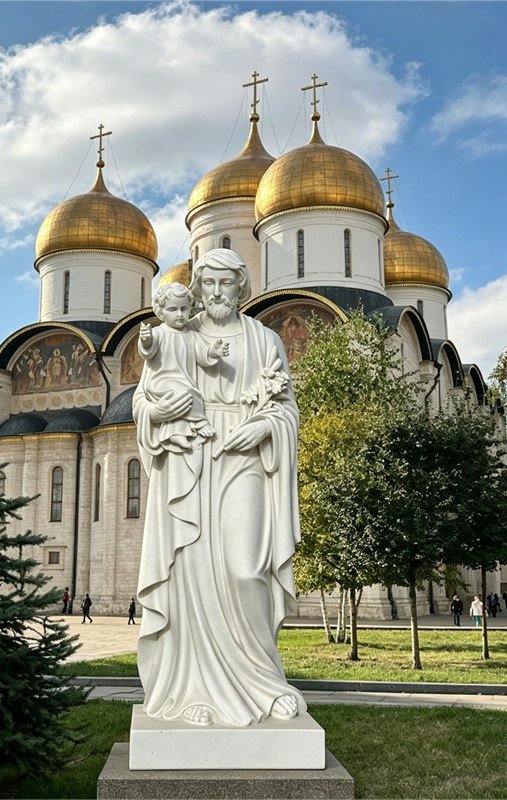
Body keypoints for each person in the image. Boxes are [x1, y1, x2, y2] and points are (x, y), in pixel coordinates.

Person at [134, 249, 306, 727]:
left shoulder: (264, 339)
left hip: (245, 456)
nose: (215, 293)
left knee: (244, 567)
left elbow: (287, 409)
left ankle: (263, 683)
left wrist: (267, 426)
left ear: (241, 287)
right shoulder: (176, 334)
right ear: (195, 289)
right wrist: (161, 414)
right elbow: (144, 401)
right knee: (188, 571)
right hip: (187, 460)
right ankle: (192, 691)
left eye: (225, 283)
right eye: (207, 284)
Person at [138, 282, 229, 451]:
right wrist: (146, 339)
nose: (179, 315)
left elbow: (202, 353)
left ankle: (176, 434)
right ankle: (199, 424)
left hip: (183, 382)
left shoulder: (192, 335)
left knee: (188, 398)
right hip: (161, 382)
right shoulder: (159, 333)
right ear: (160, 312)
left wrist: (213, 351)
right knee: (184, 395)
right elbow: (148, 351)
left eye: (184, 309)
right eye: (173, 310)